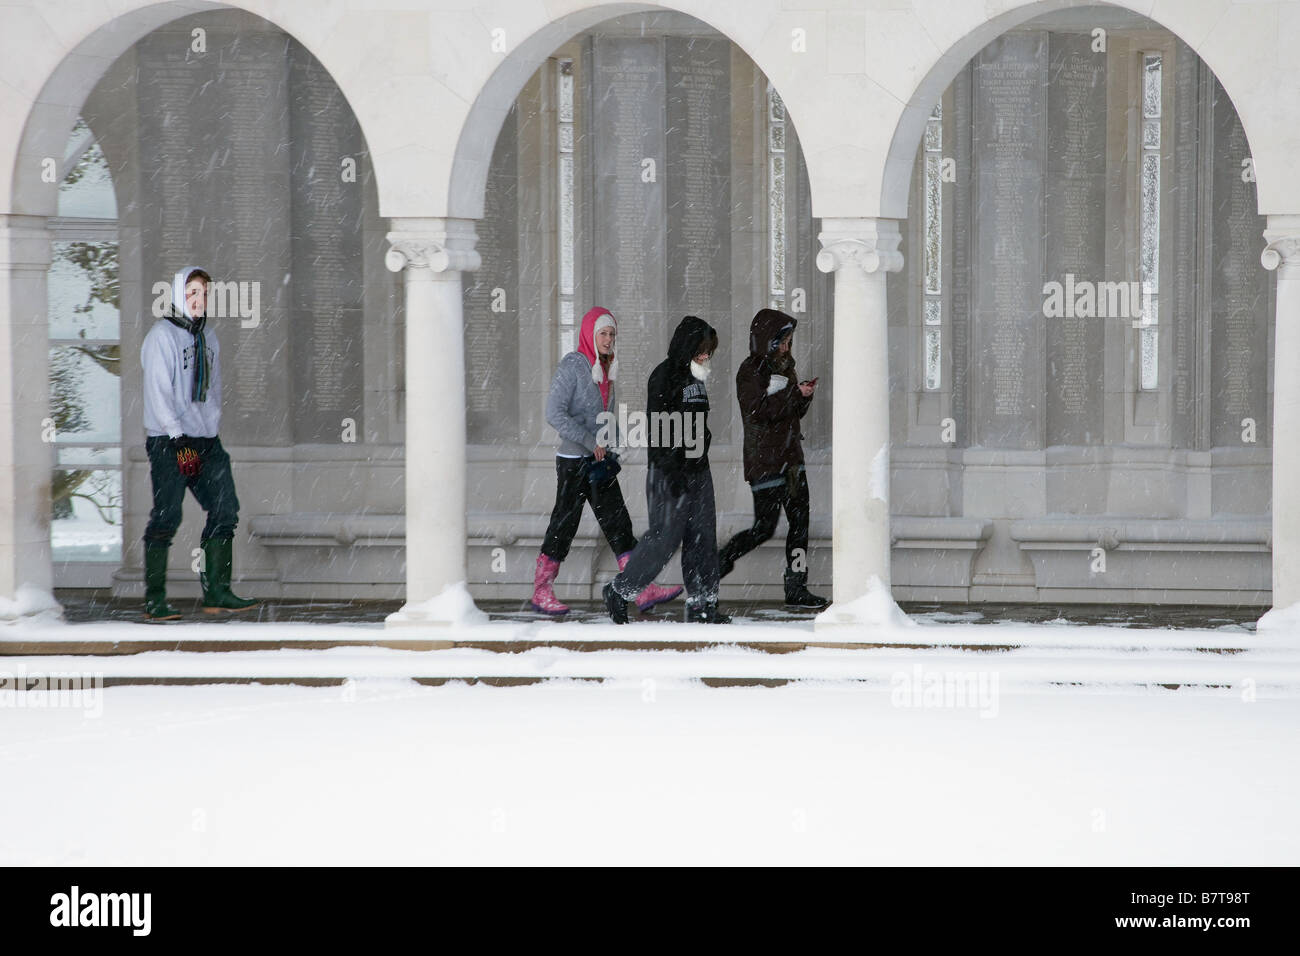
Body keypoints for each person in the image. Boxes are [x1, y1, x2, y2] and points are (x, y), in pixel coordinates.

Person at [533, 306, 682, 615]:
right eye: (603, 333)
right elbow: (554, 413)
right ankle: (541, 591)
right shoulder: (572, 366)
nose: (608, 339)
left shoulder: (607, 368)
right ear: (590, 334)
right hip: (574, 462)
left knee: (618, 523)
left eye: (612, 334)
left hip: (598, 464)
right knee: (564, 524)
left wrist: (615, 444)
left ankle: (638, 588)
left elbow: (603, 417)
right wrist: (590, 442)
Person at [139, 266, 258, 619]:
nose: (199, 301)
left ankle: (217, 591)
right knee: (167, 515)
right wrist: (177, 438)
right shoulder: (162, 336)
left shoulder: (209, 337)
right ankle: (154, 599)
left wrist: (210, 427)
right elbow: (158, 392)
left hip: (205, 439)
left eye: (204, 294)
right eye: (192, 293)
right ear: (178, 294)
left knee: (225, 510)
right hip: (170, 440)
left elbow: (212, 390)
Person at [603, 316, 728, 624]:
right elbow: (660, 428)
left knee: (703, 538)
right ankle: (620, 590)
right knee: (664, 538)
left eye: (709, 351)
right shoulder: (664, 375)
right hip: (668, 472)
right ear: (688, 346)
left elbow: (700, 423)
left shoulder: (696, 376)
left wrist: (701, 447)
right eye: (701, 350)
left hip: (698, 470)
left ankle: (702, 603)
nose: (706, 356)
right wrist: (673, 469)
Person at [717, 308, 829, 610]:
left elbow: (790, 412)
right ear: (768, 340)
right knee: (764, 528)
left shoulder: (785, 367)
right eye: (782, 342)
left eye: (789, 342)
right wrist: (793, 394)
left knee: (800, 523)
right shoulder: (749, 371)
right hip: (765, 463)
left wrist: (803, 397)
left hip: (792, 460)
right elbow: (757, 411)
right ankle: (719, 561)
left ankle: (796, 586)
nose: (786, 348)